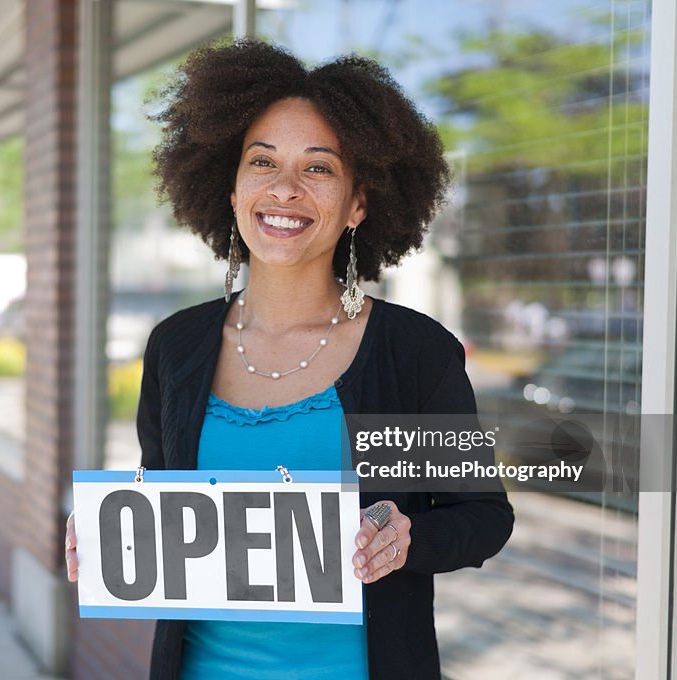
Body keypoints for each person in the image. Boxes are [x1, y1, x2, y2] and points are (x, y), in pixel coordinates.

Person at [67, 39, 514, 680]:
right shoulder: (178, 346)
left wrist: (407, 538)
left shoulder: (409, 353)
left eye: (319, 168)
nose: (284, 189)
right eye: (262, 162)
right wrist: (112, 539)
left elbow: (482, 516)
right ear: (231, 187)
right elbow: (162, 498)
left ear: (359, 203)